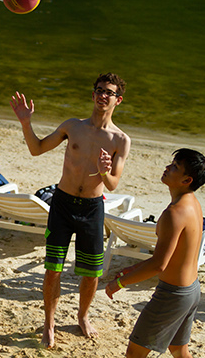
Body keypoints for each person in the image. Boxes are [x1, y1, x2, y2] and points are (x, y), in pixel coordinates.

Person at [11, 72, 132, 347]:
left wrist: (104, 172)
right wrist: (26, 123)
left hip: (92, 208)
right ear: (92, 95)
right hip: (63, 204)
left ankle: (82, 316)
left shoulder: (120, 140)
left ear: (118, 100)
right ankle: (49, 324)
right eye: (99, 90)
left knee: (91, 273)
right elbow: (37, 149)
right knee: (53, 269)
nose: (103, 95)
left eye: (109, 92)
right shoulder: (72, 126)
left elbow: (112, 184)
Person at [105, 149, 205, 358]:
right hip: (191, 290)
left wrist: (120, 283)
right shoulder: (193, 204)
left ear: (187, 180)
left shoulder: (173, 213)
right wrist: (133, 268)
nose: (168, 168)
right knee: (179, 351)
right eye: (171, 163)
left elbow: (159, 264)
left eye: (175, 167)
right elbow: (172, 256)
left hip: (172, 295)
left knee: (134, 353)